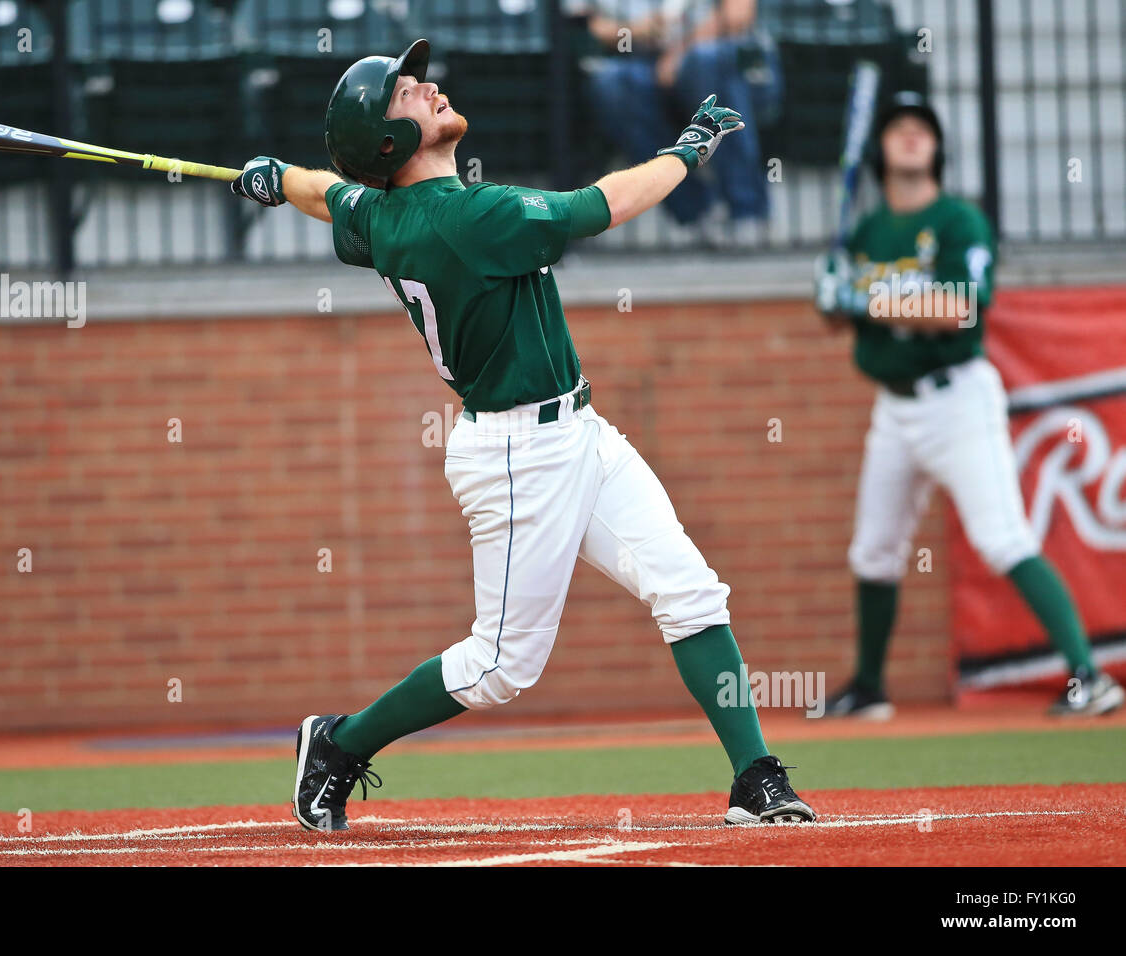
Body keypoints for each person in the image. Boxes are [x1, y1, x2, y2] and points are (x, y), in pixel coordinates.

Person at [231, 39, 816, 831]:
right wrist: (688, 149)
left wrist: (275, 180)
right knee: (502, 666)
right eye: (407, 93)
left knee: (688, 591)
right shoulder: (469, 217)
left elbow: (326, 190)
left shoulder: (380, 215)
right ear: (393, 144)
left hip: (579, 430)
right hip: (516, 453)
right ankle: (339, 743)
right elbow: (599, 205)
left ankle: (756, 776)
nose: (428, 88)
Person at [814, 92, 1124, 720]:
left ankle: (1088, 679)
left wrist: (859, 297)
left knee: (1003, 537)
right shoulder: (868, 233)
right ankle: (871, 686)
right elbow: (839, 323)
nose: (910, 136)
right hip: (893, 408)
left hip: (957, 399)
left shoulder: (958, 221)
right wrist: (828, 296)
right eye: (897, 127)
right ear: (879, 150)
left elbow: (960, 307)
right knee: (873, 550)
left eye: (921, 128)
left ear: (937, 148)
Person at [573, 0, 780, 233]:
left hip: (737, 61)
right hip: (650, 62)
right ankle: (697, 210)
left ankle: (746, 209)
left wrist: (679, 53)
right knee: (611, 84)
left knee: (705, 60)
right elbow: (587, 25)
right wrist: (640, 29)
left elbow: (737, 16)